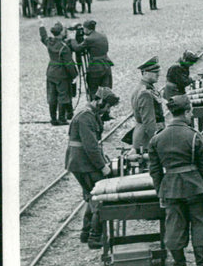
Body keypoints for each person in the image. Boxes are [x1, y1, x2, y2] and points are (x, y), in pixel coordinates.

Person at [148, 94, 203, 266]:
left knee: (174, 226)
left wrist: (160, 192)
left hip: (170, 188)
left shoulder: (157, 139)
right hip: (195, 187)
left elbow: (154, 171)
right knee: (200, 223)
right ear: (187, 112)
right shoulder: (194, 136)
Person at [65, 87, 120, 248]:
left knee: (91, 196)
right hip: (83, 164)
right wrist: (103, 166)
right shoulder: (86, 117)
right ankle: (95, 238)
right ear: (99, 101)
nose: (108, 110)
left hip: (81, 162)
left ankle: (86, 232)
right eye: (107, 106)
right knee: (100, 198)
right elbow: (91, 147)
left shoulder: (90, 114)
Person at [38, 18, 79, 125]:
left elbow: (43, 37)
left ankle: (53, 119)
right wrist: (75, 75)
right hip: (62, 74)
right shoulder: (64, 47)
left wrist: (41, 26)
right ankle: (62, 118)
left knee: (52, 95)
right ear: (61, 33)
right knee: (63, 95)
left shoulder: (50, 42)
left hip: (51, 72)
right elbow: (69, 64)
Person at [131, 56, 165, 152]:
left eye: (158, 71)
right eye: (155, 72)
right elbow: (149, 122)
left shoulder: (141, 88)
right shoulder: (145, 93)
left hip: (143, 137)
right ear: (145, 73)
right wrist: (157, 142)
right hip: (147, 140)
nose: (158, 74)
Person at [75, 20, 113, 100]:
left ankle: (95, 107)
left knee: (93, 89)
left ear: (87, 29)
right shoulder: (103, 36)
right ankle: (106, 109)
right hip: (106, 65)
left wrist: (73, 40)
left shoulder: (89, 39)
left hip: (95, 67)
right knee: (105, 89)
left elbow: (78, 48)